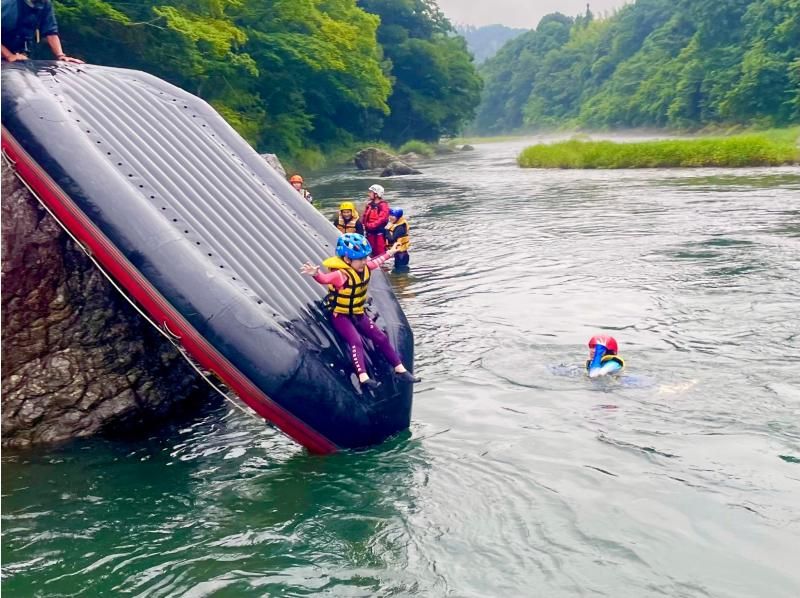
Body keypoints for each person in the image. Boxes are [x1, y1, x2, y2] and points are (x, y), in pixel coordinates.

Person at [300, 233, 419, 389]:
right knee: (355, 341)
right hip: (340, 315)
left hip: (357, 312)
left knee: (381, 338)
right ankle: (363, 377)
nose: (364, 261)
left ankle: (399, 369)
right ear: (347, 260)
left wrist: (391, 252)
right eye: (360, 259)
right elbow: (325, 279)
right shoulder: (340, 275)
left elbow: (377, 261)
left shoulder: (365, 267)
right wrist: (316, 274)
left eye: (365, 257)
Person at [1, 0, 83, 63]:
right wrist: (8, 55)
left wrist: (60, 55)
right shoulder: (8, 4)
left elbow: (51, 32)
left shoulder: (45, 3)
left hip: (20, 55)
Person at [362, 184, 389, 257]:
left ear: (376, 194)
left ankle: (383, 267)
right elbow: (365, 216)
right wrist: (364, 225)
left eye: (371, 192)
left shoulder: (383, 205)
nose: (369, 194)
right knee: (369, 253)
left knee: (380, 254)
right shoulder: (370, 204)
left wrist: (371, 225)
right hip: (369, 233)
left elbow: (382, 218)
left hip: (379, 234)